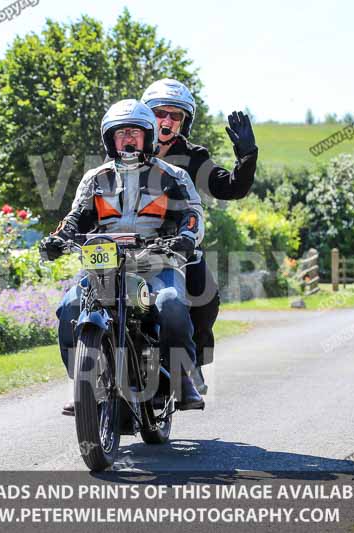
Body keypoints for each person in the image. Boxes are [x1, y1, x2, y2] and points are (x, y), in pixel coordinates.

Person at [41, 99, 206, 414]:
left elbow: (192, 215)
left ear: (148, 136)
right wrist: (58, 238)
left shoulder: (172, 175)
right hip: (104, 267)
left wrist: (187, 236)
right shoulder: (95, 178)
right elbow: (75, 217)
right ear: (110, 140)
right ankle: (83, 386)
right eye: (121, 134)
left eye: (134, 132)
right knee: (69, 307)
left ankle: (182, 379)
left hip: (156, 265)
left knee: (170, 304)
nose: (128, 139)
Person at [140, 78, 258, 393]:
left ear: (184, 122)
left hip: (179, 246)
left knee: (205, 297)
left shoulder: (192, 157)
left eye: (175, 115)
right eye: (160, 112)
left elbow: (230, 187)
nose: (166, 120)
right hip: (128, 244)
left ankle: (189, 368)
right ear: (146, 115)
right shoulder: (126, 147)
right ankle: (90, 379)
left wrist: (247, 158)